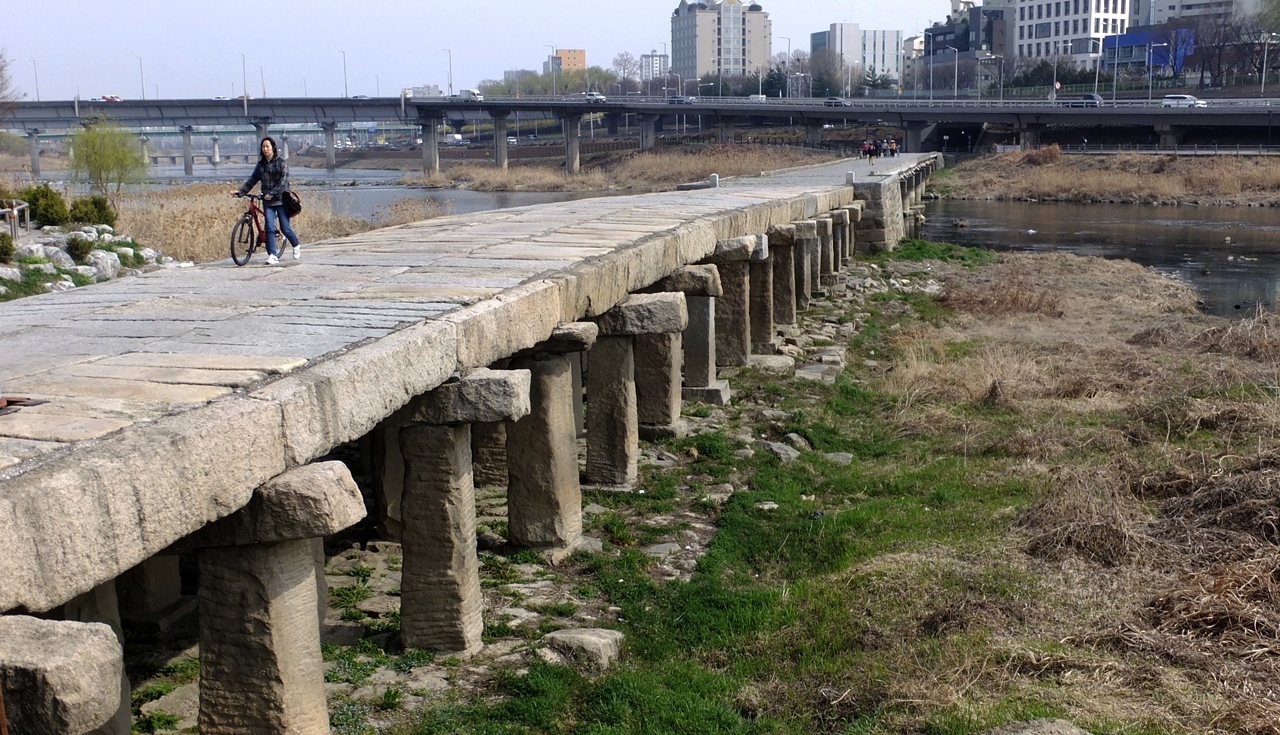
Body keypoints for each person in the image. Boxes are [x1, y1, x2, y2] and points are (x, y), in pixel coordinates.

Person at [231, 137, 300, 265]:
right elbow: (252, 180)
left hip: (281, 201)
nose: (265, 149)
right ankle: (272, 255)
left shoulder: (281, 163)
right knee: (269, 227)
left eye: (267, 146)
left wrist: (272, 194)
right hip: (267, 202)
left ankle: (295, 244)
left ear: (273, 147)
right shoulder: (261, 165)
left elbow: (283, 183)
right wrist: (240, 192)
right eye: (263, 147)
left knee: (285, 228)